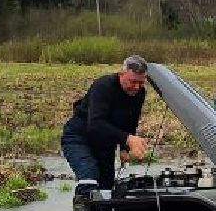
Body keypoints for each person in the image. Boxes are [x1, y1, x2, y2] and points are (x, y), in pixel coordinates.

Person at [62, 55, 150, 201]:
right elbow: (95, 124)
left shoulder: (139, 93)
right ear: (121, 74)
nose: (136, 87)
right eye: (133, 82)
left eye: (141, 83)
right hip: (79, 138)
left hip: (105, 143)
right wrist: (127, 139)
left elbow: (131, 121)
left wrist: (124, 148)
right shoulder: (103, 86)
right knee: (89, 179)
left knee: (106, 190)